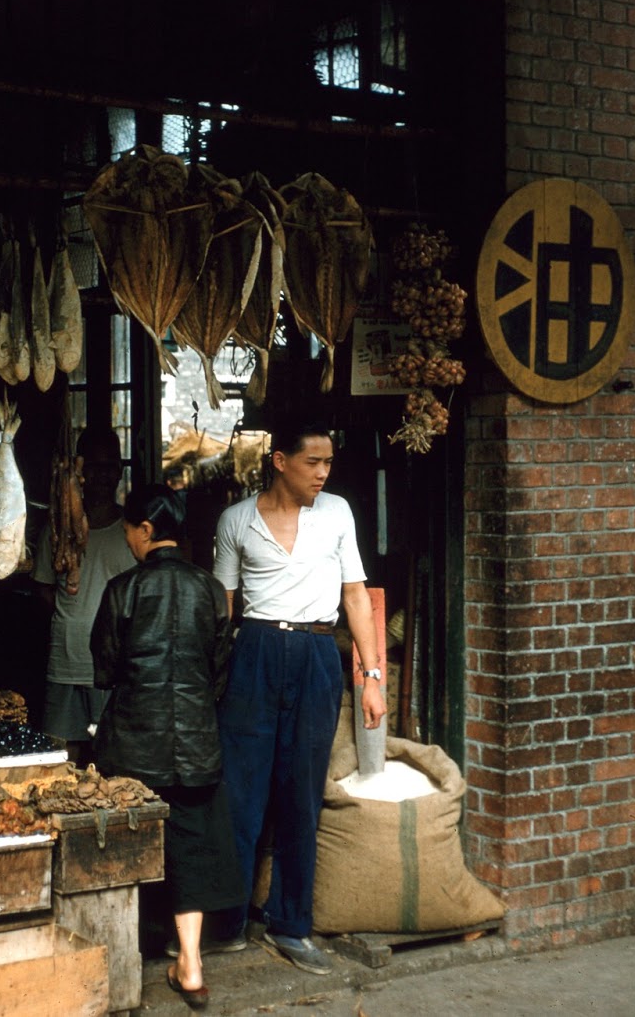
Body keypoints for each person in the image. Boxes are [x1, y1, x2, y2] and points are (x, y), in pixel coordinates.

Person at [207, 415, 384, 975]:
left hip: (315, 654)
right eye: (313, 462)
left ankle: (290, 924)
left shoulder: (336, 513)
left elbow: (355, 596)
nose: (323, 473)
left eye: (329, 462)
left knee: (301, 795)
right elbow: (222, 605)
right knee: (241, 793)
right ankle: (226, 921)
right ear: (280, 461)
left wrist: (372, 677)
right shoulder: (236, 519)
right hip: (254, 652)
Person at [90, 485, 243, 1009]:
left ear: (146, 531)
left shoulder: (122, 589)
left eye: (131, 532)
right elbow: (219, 673)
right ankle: (192, 964)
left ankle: (119, 962)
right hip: (196, 744)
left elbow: (105, 671)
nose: (130, 541)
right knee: (191, 849)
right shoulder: (210, 590)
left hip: (133, 744)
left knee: (122, 848)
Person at [32, 426, 138, 763]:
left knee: (114, 758)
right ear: (80, 470)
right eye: (94, 467)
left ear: (120, 471)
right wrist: (76, 618)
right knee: (63, 755)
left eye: (110, 467)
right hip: (67, 659)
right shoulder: (59, 529)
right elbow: (44, 588)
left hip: (117, 664)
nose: (103, 476)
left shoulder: (134, 532)